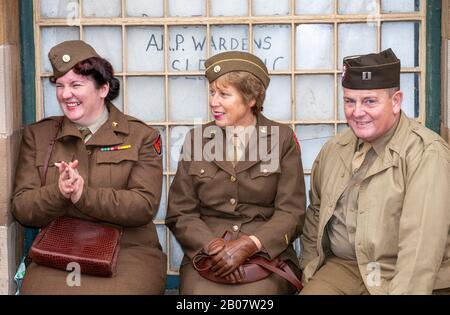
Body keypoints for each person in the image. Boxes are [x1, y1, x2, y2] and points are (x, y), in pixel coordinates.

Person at [11, 40, 167, 294]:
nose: (65, 94)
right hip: (58, 251)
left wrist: (84, 195)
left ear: (103, 88)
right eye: (60, 86)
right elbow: (22, 208)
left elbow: (144, 206)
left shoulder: (141, 136)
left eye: (76, 85)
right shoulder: (38, 135)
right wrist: (58, 192)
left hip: (127, 249)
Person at [300, 48, 450, 295]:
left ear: (396, 101)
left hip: (399, 272)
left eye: (369, 101)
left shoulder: (426, 153)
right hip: (344, 268)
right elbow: (315, 214)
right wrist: (309, 269)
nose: (357, 112)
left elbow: (421, 247)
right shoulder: (335, 149)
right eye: (350, 101)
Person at [166, 51, 306, 294]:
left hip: (265, 255)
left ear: (251, 99)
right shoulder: (197, 140)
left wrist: (252, 244)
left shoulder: (281, 139)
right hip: (207, 256)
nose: (213, 102)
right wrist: (211, 246)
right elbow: (180, 212)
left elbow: (291, 212)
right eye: (212, 93)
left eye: (224, 94)